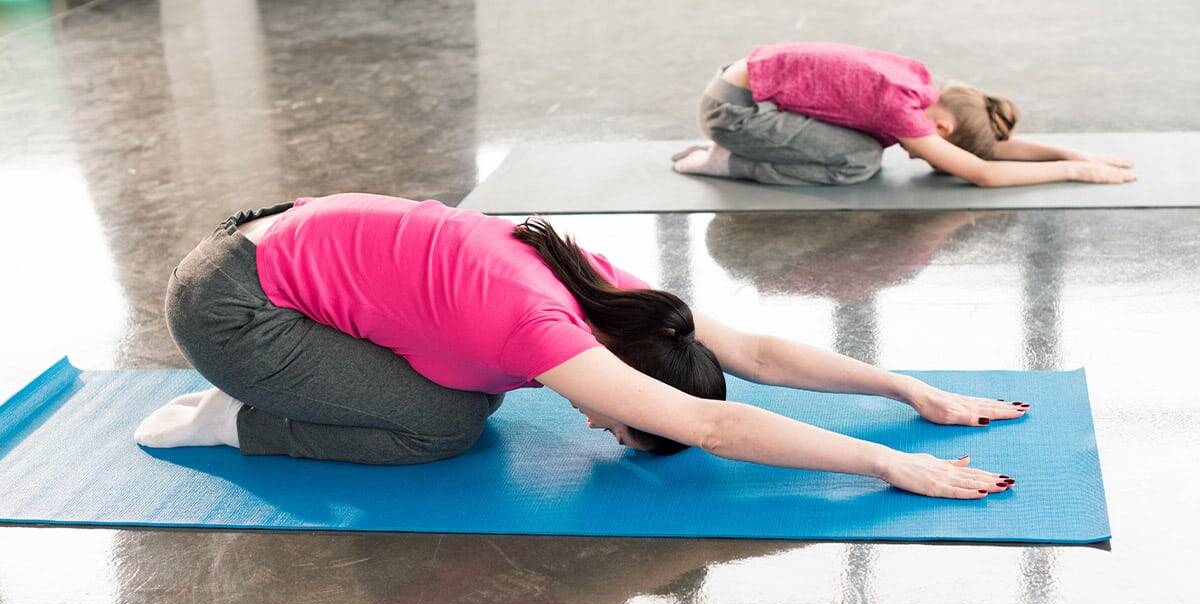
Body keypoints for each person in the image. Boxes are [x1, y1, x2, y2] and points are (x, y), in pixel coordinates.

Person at [135, 193, 1025, 499]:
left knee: (475, 387)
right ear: (628, 382)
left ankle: (293, 384)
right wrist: (883, 462)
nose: (599, 428)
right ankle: (236, 419)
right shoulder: (537, 327)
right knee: (444, 425)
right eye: (623, 423)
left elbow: (756, 351)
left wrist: (904, 388)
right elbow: (715, 426)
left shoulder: (612, 299)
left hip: (262, 249)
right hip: (230, 308)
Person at [671, 41, 1136, 187]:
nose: (920, 156)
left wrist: (1074, 152)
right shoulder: (901, 109)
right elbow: (982, 172)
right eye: (933, 151)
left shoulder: (920, 83)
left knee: (863, 147)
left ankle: (741, 146)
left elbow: (988, 151)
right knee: (860, 160)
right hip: (731, 114)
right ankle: (728, 160)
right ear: (941, 127)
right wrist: (1072, 171)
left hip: (741, 94)